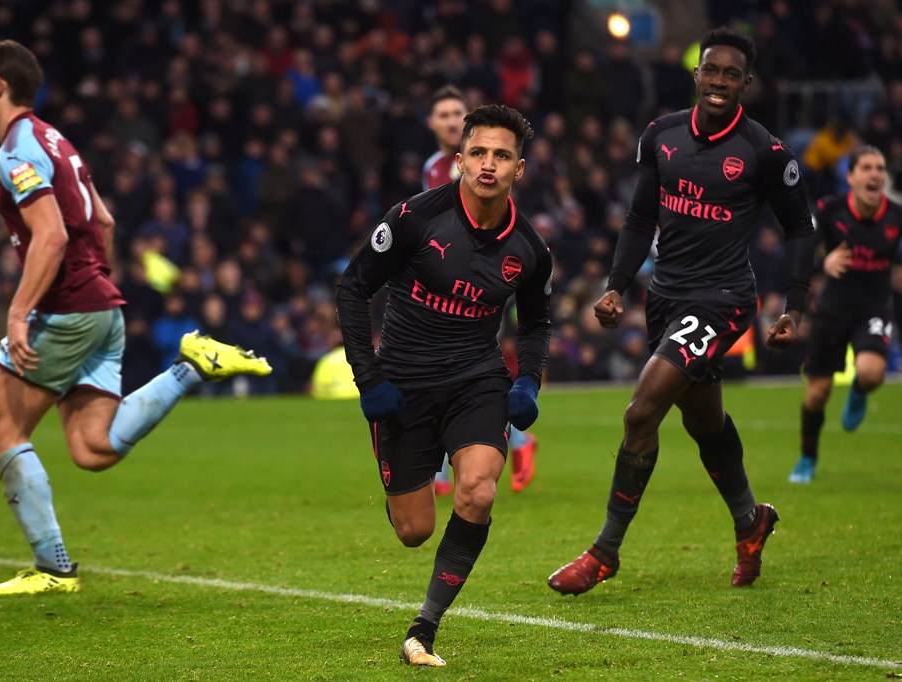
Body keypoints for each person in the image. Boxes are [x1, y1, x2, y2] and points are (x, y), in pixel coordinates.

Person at [0, 39, 271, 595]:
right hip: (100, 307)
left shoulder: (17, 150)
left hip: (66, 310)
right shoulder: (57, 139)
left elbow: (50, 235)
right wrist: (101, 281)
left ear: (0, 85)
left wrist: (20, 313)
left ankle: (53, 568)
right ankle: (189, 369)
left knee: (1, 431)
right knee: (91, 447)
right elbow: (105, 219)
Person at [547, 27, 815, 595]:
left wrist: (795, 304)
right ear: (696, 75)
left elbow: (798, 227)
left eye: (731, 74)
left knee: (641, 413)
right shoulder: (661, 136)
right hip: (664, 298)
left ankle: (604, 552)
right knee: (703, 422)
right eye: (710, 70)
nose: (718, 82)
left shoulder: (764, 152)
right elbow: (640, 218)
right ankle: (751, 521)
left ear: (746, 83)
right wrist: (617, 284)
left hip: (721, 301)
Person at [336, 105, 551, 666]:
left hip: (475, 382)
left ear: (518, 169)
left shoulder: (530, 249)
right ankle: (398, 467)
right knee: (413, 531)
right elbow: (352, 290)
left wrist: (526, 380)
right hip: (402, 388)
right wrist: (370, 380)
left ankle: (423, 630)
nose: (488, 164)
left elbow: (535, 324)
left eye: (501, 156)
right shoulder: (414, 218)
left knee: (478, 491)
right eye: (478, 153)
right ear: (458, 161)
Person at [788, 146, 902, 483]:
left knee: (872, 373)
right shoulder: (829, 210)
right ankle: (807, 459)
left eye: (880, 168)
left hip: (874, 306)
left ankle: (859, 389)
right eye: (867, 168)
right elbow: (800, 248)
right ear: (851, 177)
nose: (875, 174)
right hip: (832, 308)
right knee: (817, 393)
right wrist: (822, 263)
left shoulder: (900, 215)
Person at [422, 84, 539, 496]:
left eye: (458, 113)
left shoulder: (484, 162)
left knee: (475, 363)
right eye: (445, 114)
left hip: (489, 278)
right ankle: (443, 463)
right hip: (449, 276)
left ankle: (514, 440)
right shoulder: (434, 168)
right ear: (432, 124)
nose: (453, 120)